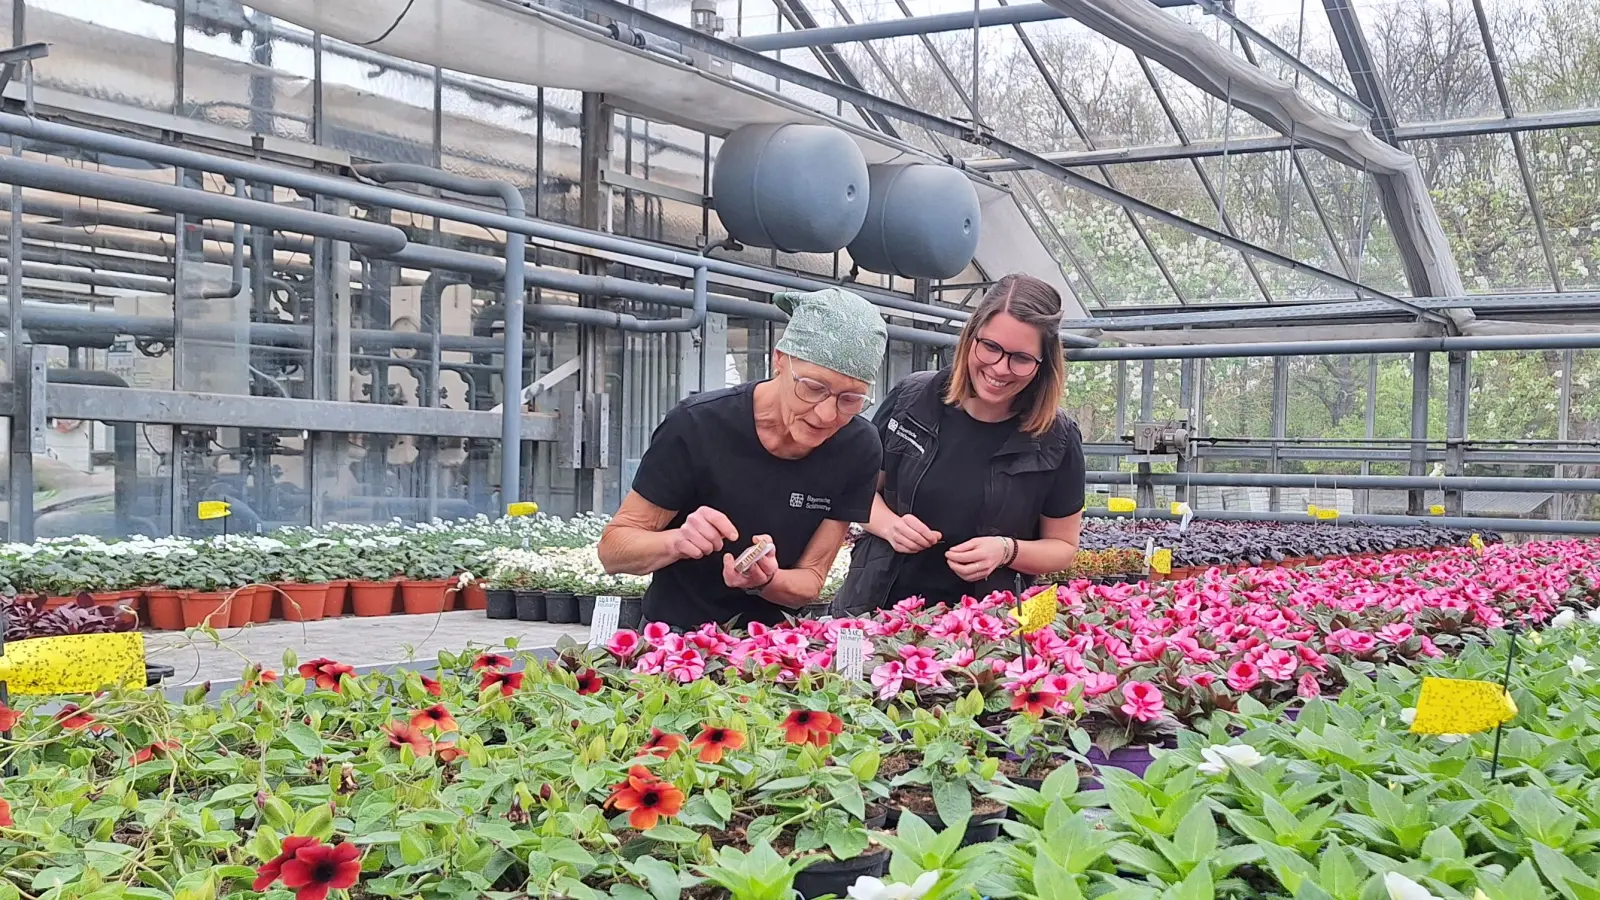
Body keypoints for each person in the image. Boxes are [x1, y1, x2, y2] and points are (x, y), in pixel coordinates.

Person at [598, 288, 887, 631]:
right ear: (779, 359)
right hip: (677, 641)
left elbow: (810, 580)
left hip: (772, 649)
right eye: (812, 388)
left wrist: (766, 581)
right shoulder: (698, 425)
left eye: (850, 400)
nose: (826, 414)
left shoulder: (858, 448)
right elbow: (613, 550)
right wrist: (676, 541)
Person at [830, 274, 1084, 616]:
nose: (999, 368)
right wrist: (890, 525)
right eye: (991, 347)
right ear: (970, 337)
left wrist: (1006, 550)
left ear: (1043, 365)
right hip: (878, 605)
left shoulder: (1057, 437)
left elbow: (1063, 546)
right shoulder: (912, 398)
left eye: (1021, 358)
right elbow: (857, 490)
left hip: (990, 627)